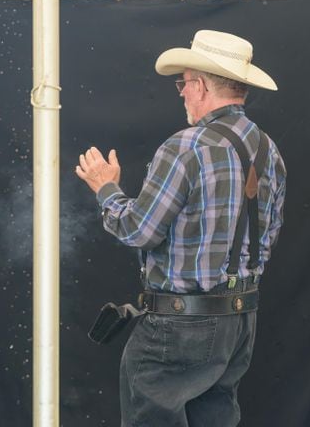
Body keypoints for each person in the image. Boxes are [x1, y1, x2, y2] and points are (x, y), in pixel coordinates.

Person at [75, 30, 287, 426]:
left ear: (201, 85)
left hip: (180, 325)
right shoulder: (268, 150)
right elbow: (269, 234)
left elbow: (139, 230)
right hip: (239, 323)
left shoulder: (186, 146)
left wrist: (106, 188)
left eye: (184, 83)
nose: (181, 93)